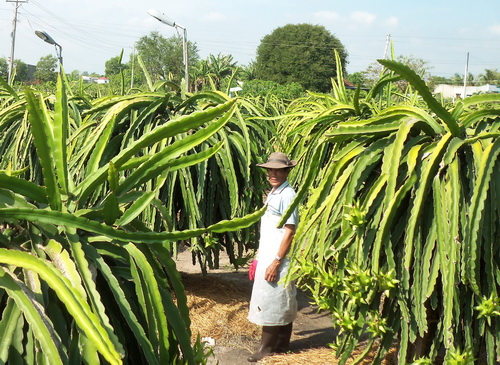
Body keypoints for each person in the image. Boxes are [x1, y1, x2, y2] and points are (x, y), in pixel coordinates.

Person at [247, 152, 299, 362]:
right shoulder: (275, 192)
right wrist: (260, 257)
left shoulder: (287, 194)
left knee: (272, 299)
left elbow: (290, 231)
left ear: (287, 171)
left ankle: (266, 348)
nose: (273, 173)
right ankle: (281, 345)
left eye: (279, 170)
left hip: (278, 256)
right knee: (281, 300)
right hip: (269, 253)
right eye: (270, 169)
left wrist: (276, 261)